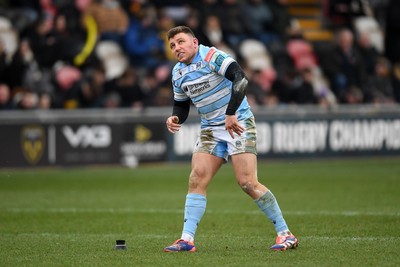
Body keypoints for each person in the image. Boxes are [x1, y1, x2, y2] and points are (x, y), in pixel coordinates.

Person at [163, 26, 298, 252]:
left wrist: (231, 113)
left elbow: (241, 78)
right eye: (173, 45)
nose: (177, 47)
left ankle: (286, 234)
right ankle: (186, 240)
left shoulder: (211, 56)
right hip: (210, 128)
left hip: (238, 122)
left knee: (246, 182)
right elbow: (182, 105)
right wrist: (176, 117)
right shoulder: (178, 73)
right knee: (196, 178)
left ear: (194, 42)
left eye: (180, 41)